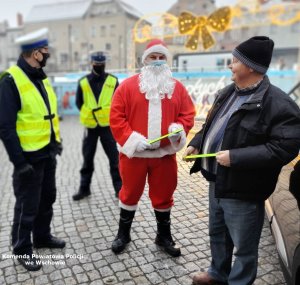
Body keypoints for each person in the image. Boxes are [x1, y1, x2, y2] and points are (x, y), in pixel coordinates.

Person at [183, 36, 300, 285]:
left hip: (244, 189)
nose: (230, 66)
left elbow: (284, 147)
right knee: (217, 234)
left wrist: (237, 157)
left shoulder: (279, 104)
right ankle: (217, 274)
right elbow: (212, 124)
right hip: (217, 181)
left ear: (250, 67)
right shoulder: (227, 93)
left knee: (244, 249)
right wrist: (196, 143)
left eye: (234, 61)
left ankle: (239, 281)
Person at [109, 39, 195, 257]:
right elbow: (116, 117)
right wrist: (132, 140)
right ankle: (123, 234)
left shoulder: (177, 88)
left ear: (167, 60)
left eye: (161, 58)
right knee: (129, 193)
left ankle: (163, 236)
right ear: (144, 60)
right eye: (152, 57)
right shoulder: (126, 87)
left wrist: (179, 128)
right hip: (134, 155)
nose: (157, 62)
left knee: (164, 194)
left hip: (164, 156)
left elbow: (187, 114)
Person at [0, 28, 65, 271]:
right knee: (27, 204)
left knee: (47, 198)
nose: (48, 55)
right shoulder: (11, 80)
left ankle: (42, 236)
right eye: (46, 52)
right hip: (28, 158)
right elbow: (5, 127)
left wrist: (56, 143)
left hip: (47, 153)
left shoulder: (39, 76)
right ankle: (21, 248)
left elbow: (45, 115)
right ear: (36, 53)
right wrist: (19, 163)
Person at [72, 51, 122, 200]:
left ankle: (119, 189)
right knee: (87, 160)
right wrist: (90, 115)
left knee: (114, 160)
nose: (99, 66)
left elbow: (117, 103)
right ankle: (84, 189)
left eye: (101, 64)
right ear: (92, 63)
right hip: (90, 127)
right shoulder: (83, 82)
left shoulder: (113, 81)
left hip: (107, 126)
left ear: (104, 64)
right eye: (96, 64)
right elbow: (79, 103)